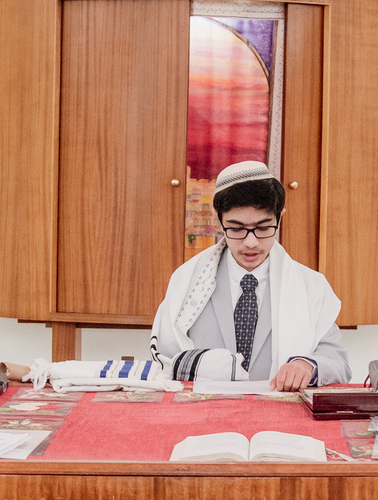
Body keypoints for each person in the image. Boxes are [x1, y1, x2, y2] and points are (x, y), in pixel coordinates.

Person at [148, 161, 351, 391]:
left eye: (264, 228)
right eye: (236, 229)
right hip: (204, 415)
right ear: (219, 219)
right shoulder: (186, 283)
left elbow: (337, 362)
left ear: (280, 218)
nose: (250, 243)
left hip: (279, 417)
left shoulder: (310, 286)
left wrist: (307, 365)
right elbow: (163, 361)